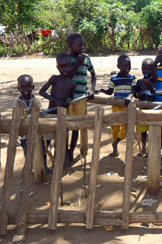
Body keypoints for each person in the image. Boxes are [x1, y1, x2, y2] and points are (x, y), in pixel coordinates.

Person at [39, 53, 76, 165]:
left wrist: (67, 101)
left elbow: (71, 97)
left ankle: (59, 163)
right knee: (47, 140)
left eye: (67, 66)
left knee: (62, 141)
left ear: (70, 66)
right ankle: (43, 162)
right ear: (57, 67)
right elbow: (42, 91)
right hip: (51, 114)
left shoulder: (72, 83)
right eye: (61, 66)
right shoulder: (54, 79)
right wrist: (55, 100)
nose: (64, 69)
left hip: (62, 116)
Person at [67, 33, 96, 162]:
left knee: (76, 126)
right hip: (68, 98)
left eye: (83, 45)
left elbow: (93, 74)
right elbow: (67, 76)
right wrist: (78, 63)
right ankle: (64, 151)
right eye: (79, 45)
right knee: (67, 125)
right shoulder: (67, 59)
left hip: (81, 97)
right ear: (70, 46)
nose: (82, 47)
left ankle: (71, 151)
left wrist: (92, 89)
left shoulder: (87, 58)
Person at [98, 55, 135, 157]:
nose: (127, 67)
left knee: (125, 127)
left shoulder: (132, 78)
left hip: (126, 106)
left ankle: (116, 142)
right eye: (125, 65)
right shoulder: (114, 78)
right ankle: (115, 149)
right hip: (116, 106)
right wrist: (102, 90)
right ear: (118, 66)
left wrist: (129, 96)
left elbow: (133, 91)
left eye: (129, 65)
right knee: (115, 127)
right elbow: (110, 92)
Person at [13, 74, 43, 156]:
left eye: (28, 87)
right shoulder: (17, 101)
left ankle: (43, 167)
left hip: (36, 130)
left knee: (41, 151)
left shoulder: (36, 100)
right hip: (24, 132)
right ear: (18, 88)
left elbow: (41, 112)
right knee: (27, 151)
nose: (25, 89)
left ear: (32, 87)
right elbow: (15, 116)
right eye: (22, 87)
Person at [132, 58, 156, 156]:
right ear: (141, 69)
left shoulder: (154, 81)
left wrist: (149, 85)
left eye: (149, 69)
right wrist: (139, 94)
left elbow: (154, 92)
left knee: (153, 131)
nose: (146, 71)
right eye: (144, 69)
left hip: (153, 110)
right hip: (142, 110)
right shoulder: (139, 82)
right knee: (143, 131)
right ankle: (143, 148)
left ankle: (152, 150)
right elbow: (135, 94)